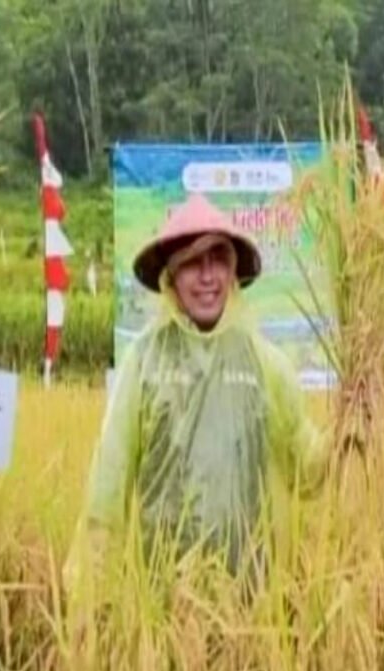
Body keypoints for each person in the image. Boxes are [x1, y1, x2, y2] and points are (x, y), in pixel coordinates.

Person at [65, 193, 329, 580]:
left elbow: (305, 471)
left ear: (234, 272)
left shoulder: (266, 364)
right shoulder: (145, 362)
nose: (208, 277)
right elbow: (111, 475)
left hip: (252, 600)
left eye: (218, 260)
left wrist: (349, 433)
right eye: (192, 262)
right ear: (171, 275)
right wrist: (92, 587)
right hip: (162, 601)